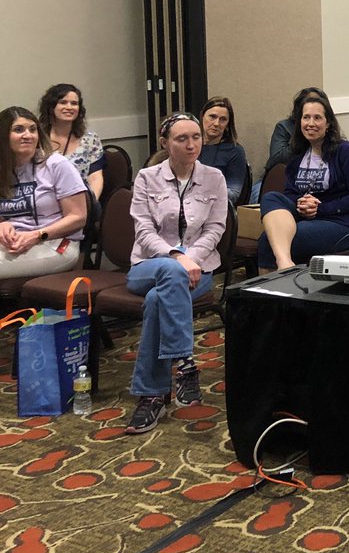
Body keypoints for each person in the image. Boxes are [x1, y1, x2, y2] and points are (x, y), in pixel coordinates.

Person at [124, 113, 227, 434]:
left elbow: (215, 229)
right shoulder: (146, 178)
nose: (191, 144)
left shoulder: (215, 178)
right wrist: (176, 257)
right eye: (182, 138)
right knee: (169, 274)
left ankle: (151, 394)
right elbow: (143, 230)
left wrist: (191, 258)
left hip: (199, 269)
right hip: (148, 266)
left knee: (158, 300)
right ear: (165, 143)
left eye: (196, 137)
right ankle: (185, 363)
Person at [258, 92, 349, 272]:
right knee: (271, 197)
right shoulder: (298, 154)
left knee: (270, 240)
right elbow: (290, 192)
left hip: (343, 222)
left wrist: (320, 208)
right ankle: (283, 269)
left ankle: (281, 276)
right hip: (305, 217)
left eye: (317, 118)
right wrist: (301, 203)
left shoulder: (347, 151)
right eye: (306, 117)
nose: (310, 123)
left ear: (328, 123)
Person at [0, 106, 88, 279]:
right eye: (19, 130)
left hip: (55, 243)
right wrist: (1, 224)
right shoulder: (2, 169)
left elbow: (78, 217)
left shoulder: (57, 165)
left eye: (32, 129)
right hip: (12, 243)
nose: (28, 135)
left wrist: (35, 235)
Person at [37, 84, 105, 200]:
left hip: (80, 201)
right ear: (50, 107)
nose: (69, 107)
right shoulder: (37, 139)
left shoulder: (90, 139)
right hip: (44, 201)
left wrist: (91, 205)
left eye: (74, 103)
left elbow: (95, 178)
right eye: (63, 102)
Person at [198, 96, 249, 204]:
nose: (216, 123)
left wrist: (200, 194)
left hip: (216, 208)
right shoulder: (189, 147)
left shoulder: (235, 151)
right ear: (202, 116)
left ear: (227, 125)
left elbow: (234, 193)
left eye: (223, 119)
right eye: (212, 117)